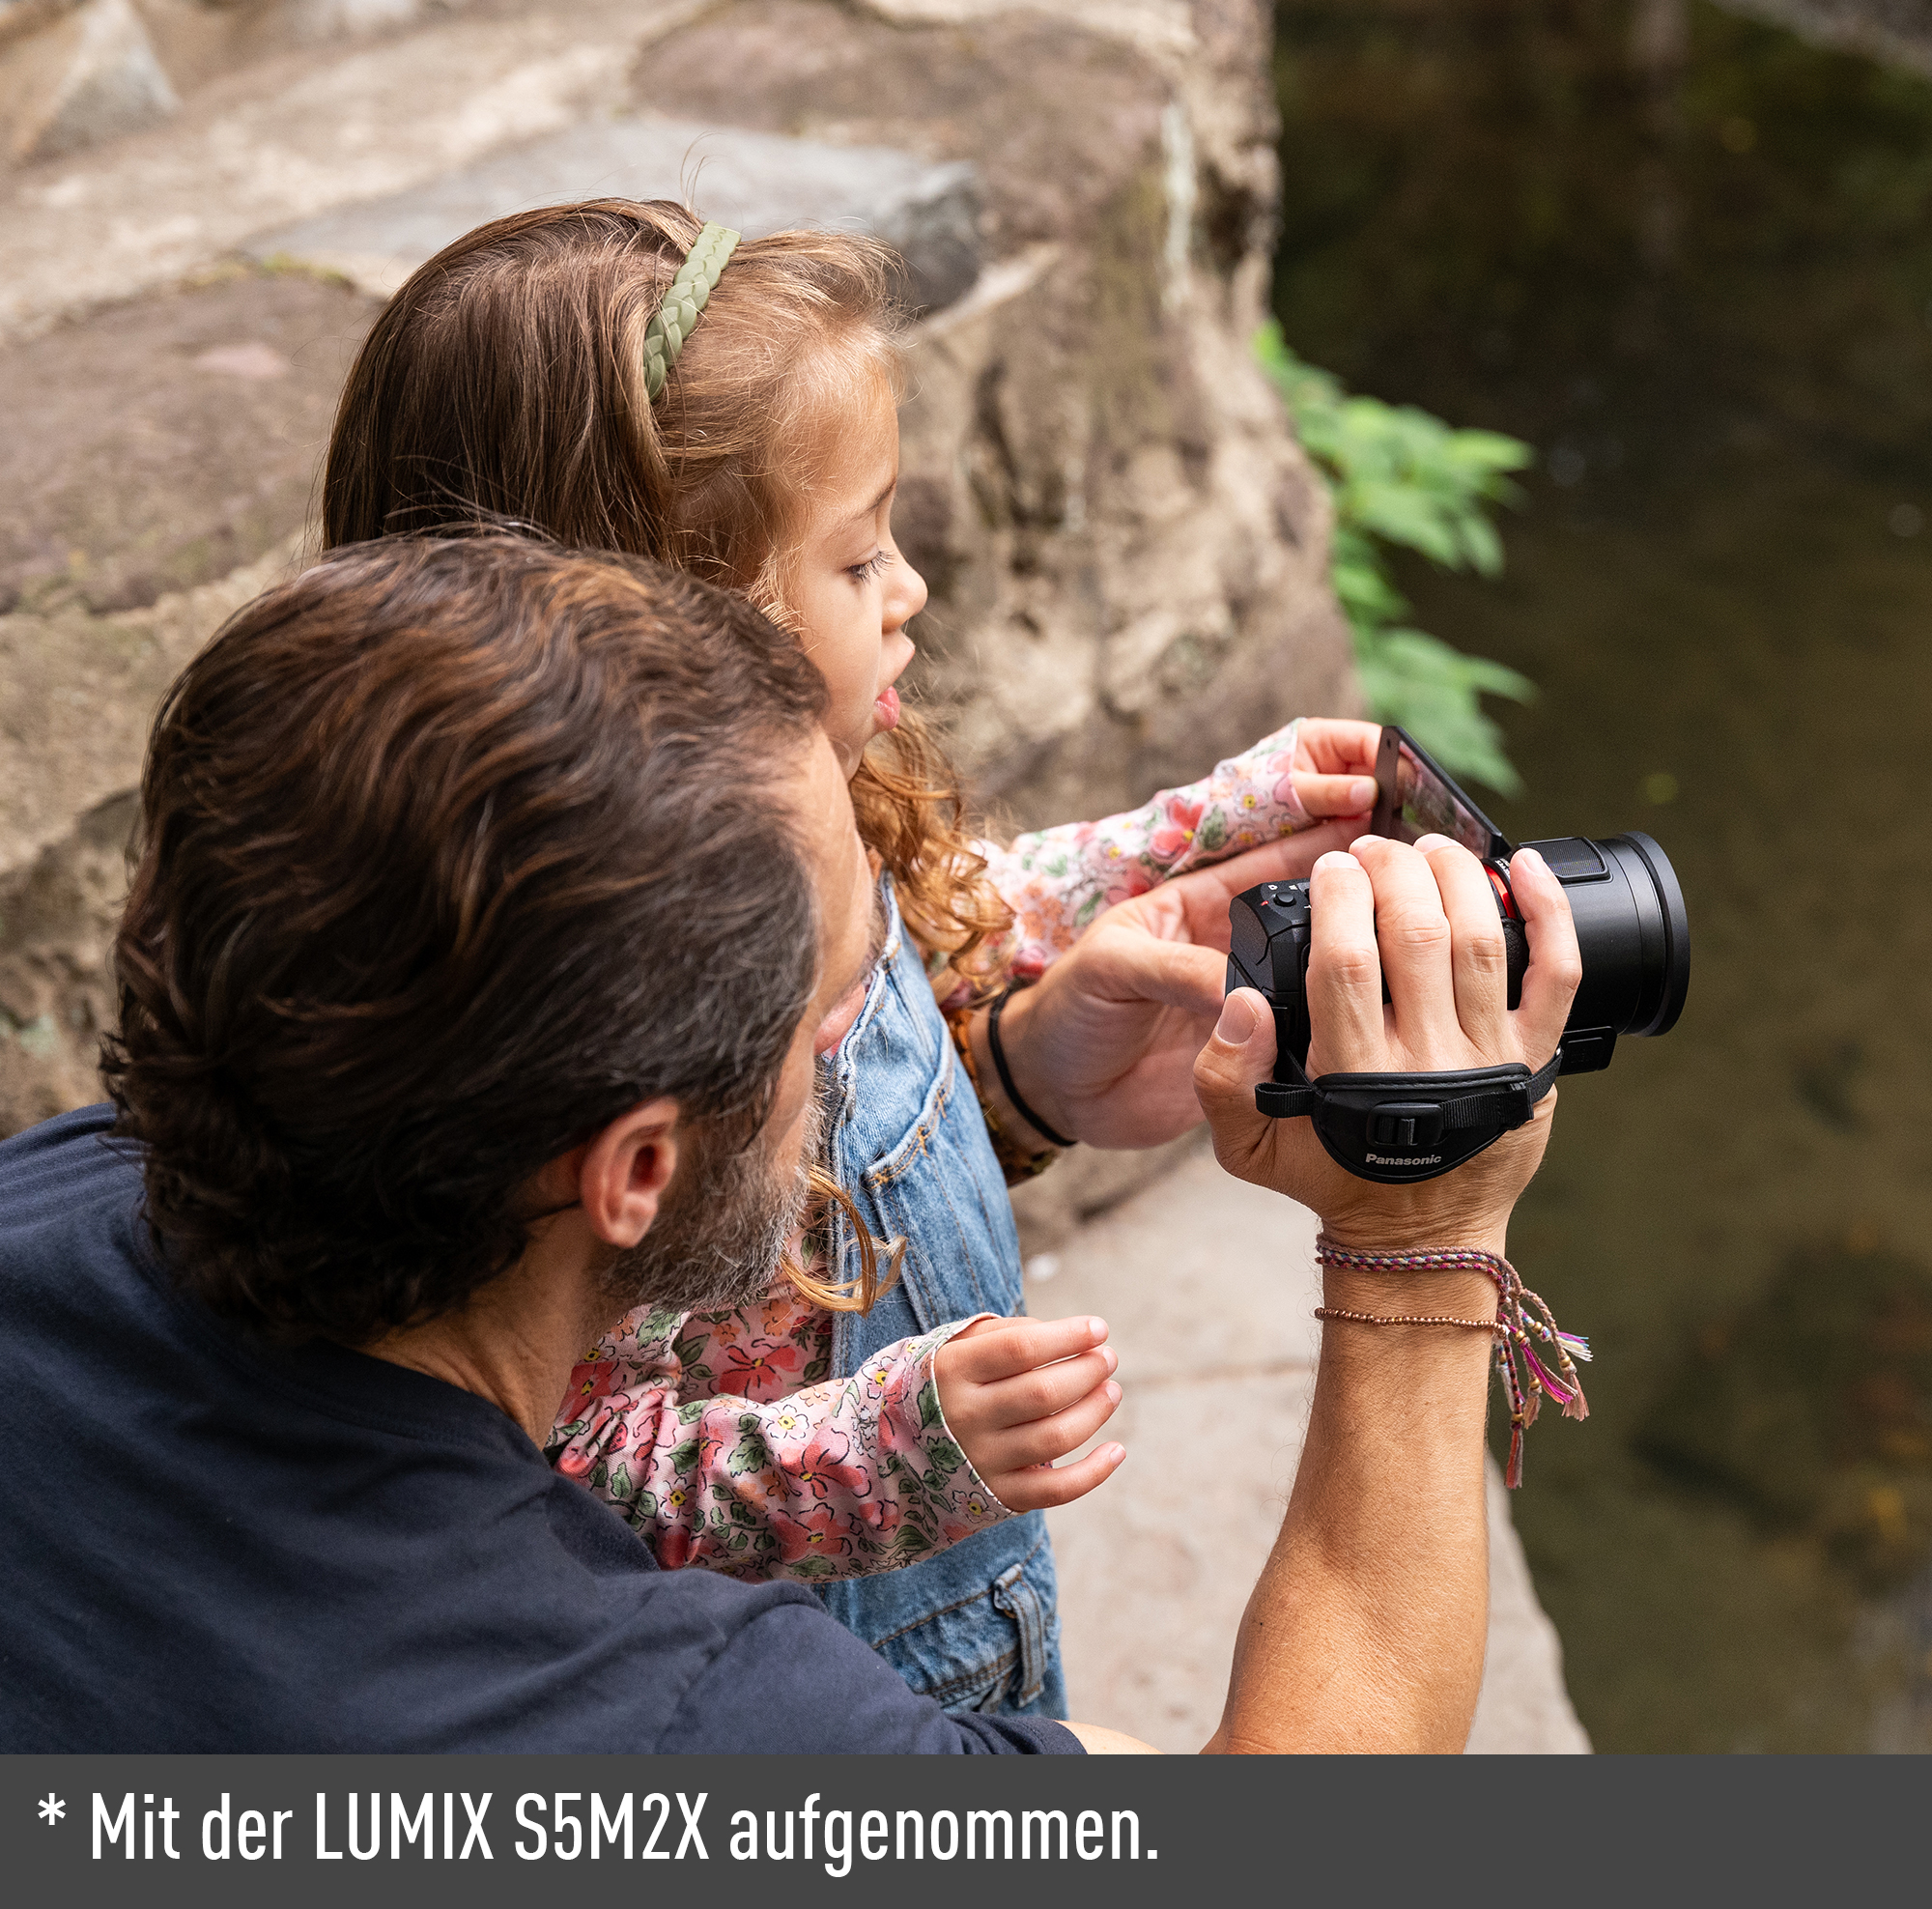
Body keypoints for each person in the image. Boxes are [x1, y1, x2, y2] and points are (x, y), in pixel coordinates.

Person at [0, 533, 1582, 1753]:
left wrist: (1014, 1089)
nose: (865, 1049)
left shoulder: (48, 1218)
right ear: (633, 1173)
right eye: (840, 1014)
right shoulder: (677, 1731)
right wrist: (1421, 1237)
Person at [323, 200, 1386, 1712]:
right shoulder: (571, 1045)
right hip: (838, 1686)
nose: (911, 592)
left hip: (965, 1580)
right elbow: (559, 1470)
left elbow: (933, 918)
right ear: (677, 628)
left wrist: (1193, 835)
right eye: (858, 556)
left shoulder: (811, 800)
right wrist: (885, 1454)